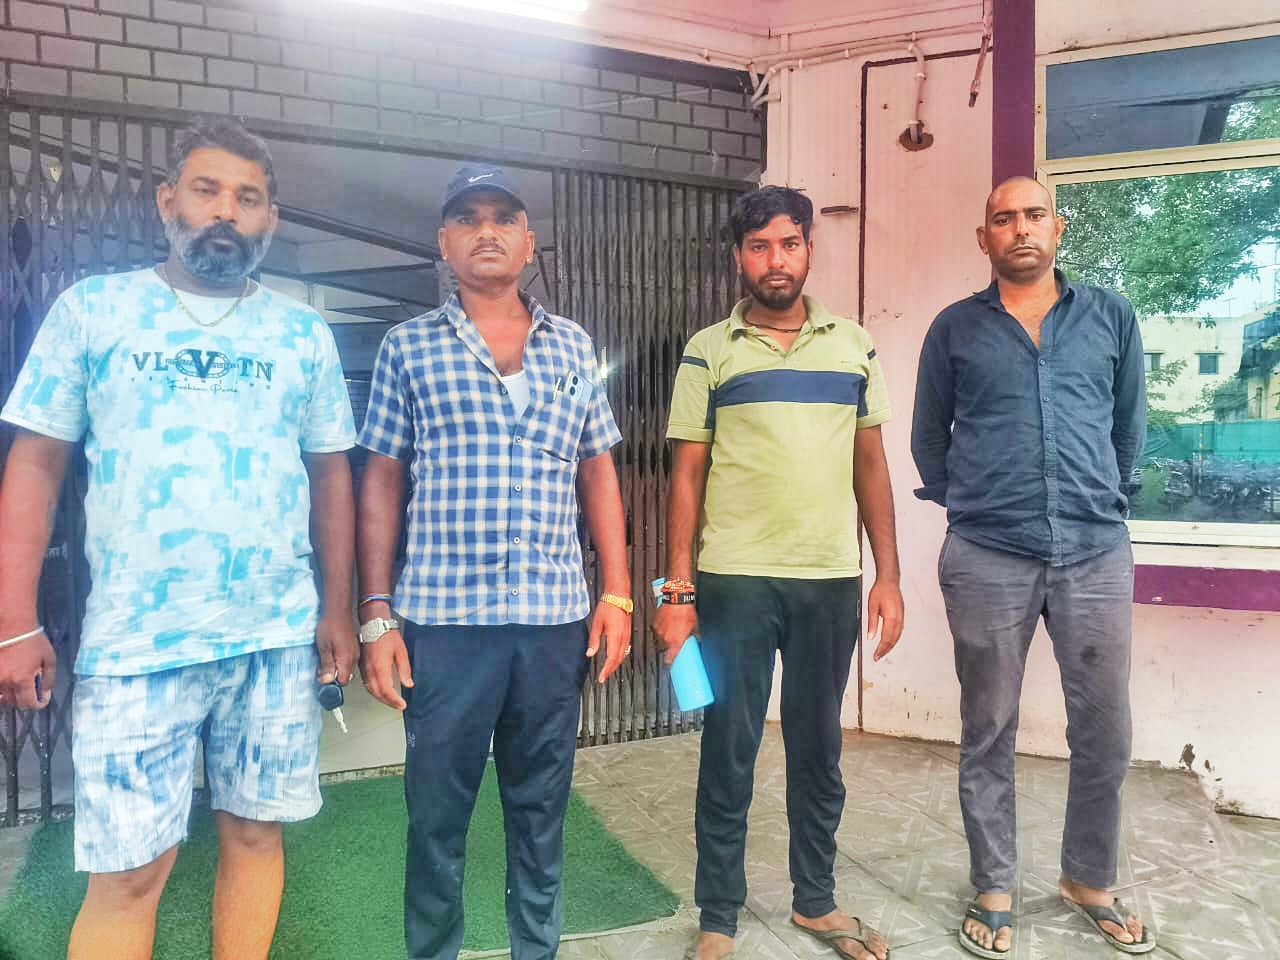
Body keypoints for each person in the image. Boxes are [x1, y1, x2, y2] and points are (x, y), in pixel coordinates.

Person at [0, 118, 357, 960]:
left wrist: (336, 610)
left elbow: (331, 475)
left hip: (274, 636)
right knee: (129, 874)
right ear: (168, 201)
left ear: (270, 219)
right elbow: (37, 464)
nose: (226, 211)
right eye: (207, 190)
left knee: (257, 836)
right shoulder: (95, 310)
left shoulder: (301, 333)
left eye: (248, 197)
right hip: (137, 643)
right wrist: (15, 619)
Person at [356, 163, 632, 960]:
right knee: (436, 818)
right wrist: (376, 614)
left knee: (541, 811)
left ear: (529, 242)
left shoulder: (573, 345)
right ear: (444, 242)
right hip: (445, 625)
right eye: (469, 218)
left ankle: (534, 950)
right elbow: (381, 477)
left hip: (551, 622)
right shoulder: (409, 347)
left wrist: (617, 593)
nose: (487, 231)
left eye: (504, 218)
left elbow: (597, 470)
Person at [654, 186, 904, 960]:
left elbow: (871, 464)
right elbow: (686, 475)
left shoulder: (854, 346)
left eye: (789, 244)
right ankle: (718, 916)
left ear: (808, 250)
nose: (775, 260)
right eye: (759, 246)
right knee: (728, 746)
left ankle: (815, 902)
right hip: (734, 581)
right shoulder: (709, 350)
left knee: (817, 747)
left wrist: (888, 576)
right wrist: (678, 591)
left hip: (828, 579)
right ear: (739, 257)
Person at [911, 176, 1153, 958]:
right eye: (1004, 218)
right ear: (984, 237)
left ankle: (1089, 879)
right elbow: (928, 440)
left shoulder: (1111, 316)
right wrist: (977, 505)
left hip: (1095, 552)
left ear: (1059, 227)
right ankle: (994, 885)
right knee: (987, 728)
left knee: (1106, 730)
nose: (1021, 229)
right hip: (988, 553)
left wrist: (1102, 499)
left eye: (1034, 215)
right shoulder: (954, 329)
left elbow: (1129, 427)